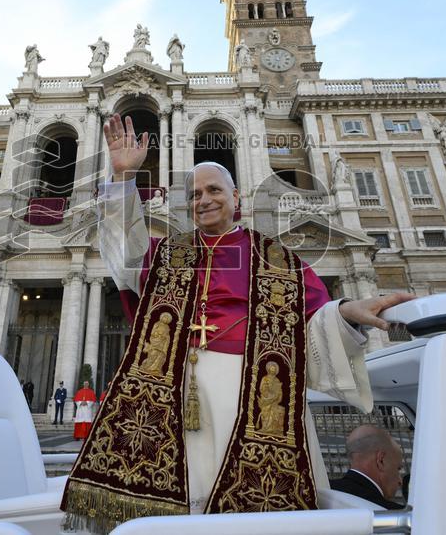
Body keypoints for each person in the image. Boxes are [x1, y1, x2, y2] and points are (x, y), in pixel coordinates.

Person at [61, 114, 414, 531]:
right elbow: (123, 254)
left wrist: (346, 313)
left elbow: (312, 326)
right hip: (172, 396)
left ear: (237, 197)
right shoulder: (167, 254)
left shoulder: (277, 261)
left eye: (214, 190)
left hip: (252, 393)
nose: (204, 200)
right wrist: (123, 179)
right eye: (195, 194)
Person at [330, 425, 406, 509]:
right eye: (397, 469)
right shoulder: (393, 515)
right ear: (381, 461)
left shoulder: (320, 493)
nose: (400, 481)